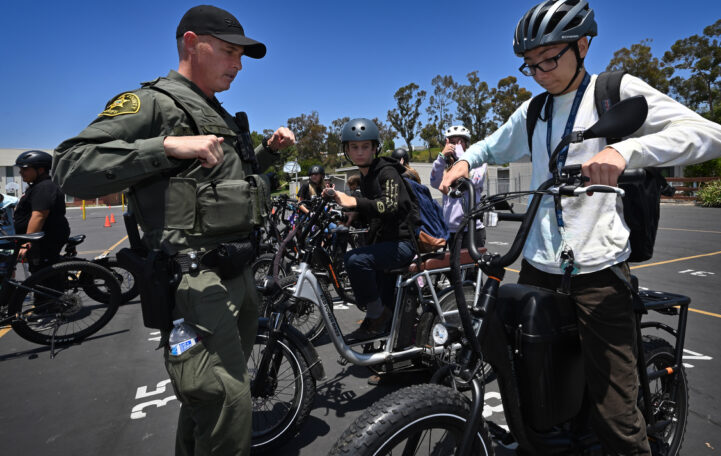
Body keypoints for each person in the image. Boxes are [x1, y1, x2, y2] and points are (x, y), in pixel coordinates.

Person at [438, 1, 721, 454]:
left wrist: (626, 152)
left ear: (582, 45)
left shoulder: (613, 91)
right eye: (531, 65)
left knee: (615, 412)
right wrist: (462, 162)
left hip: (598, 272)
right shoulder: (534, 110)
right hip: (539, 267)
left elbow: (716, 136)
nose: (540, 73)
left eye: (550, 60)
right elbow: (491, 146)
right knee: (530, 391)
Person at [52, 5, 295, 455]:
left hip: (235, 276)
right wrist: (164, 147)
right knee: (227, 401)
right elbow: (70, 166)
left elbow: (225, 186)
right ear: (190, 42)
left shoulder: (214, 112)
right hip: (194, 283)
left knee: (210, 397)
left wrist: (268, 153)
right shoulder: (153, 104)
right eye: (228, 51)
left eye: (241, 55)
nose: (238, 64)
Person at [322, 118, 420, 341]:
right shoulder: (366, 177)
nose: (360, 152)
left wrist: (355, 203)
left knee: (355, 260)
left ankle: (377, 315)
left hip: (402, 244)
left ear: (375, 148)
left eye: (365, 146)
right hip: (383, 243)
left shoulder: (387, 172)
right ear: (346, 150)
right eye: (354, 147)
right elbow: (372, 211)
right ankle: (380, 329)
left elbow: (390, 206)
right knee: (385, 300)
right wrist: (349, 213)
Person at [430, 125, 487, 248]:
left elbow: (473, 180)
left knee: (471, 266)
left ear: (466, 144)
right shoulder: (445, 164)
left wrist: (462, 157)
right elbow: (434, 182)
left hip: (472, 228)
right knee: (454, 266)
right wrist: (441, 157)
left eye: (460, 142)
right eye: (453, 142)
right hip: (451, 230)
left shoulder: (479, 163)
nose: (456, 146)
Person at [13, 151, 70, 272]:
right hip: (39, 241)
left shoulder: (44, 187)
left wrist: (27, 242)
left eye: (25, 168)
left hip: (45, 242)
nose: (20, 172)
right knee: (38, 274)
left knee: (46, 278)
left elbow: (39, 216)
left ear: (41, 170)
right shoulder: (37, 186)